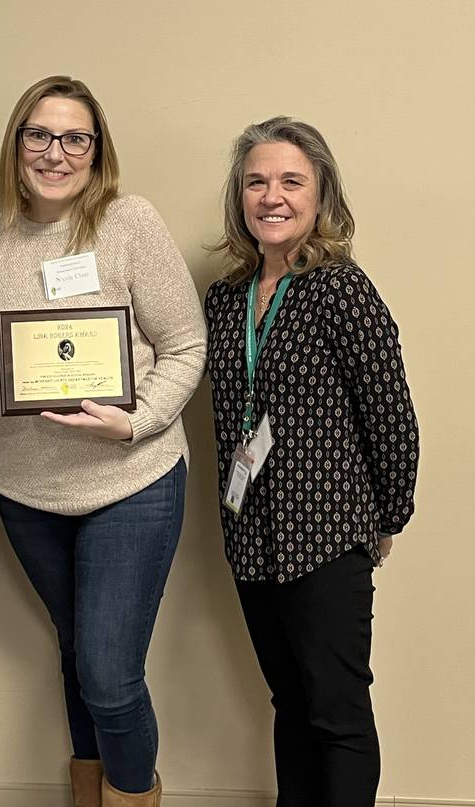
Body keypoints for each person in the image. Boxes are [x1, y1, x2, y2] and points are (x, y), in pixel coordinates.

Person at [0, 76, 206, 807]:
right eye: (39, 134)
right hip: (26, 493)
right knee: (75, 654)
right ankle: (89, 794)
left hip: (133, 480)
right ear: (16, 143)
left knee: (109, 675)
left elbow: (186, 344)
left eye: (74, 138)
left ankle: (130, 796)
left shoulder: (129, 222)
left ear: (97, 151)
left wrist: (137, 417)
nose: (55, 152)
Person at [204, 116, 419, 807]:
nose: (272, 195)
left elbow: (392, 417)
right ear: (240, 196)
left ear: (321, 194)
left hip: (326, 537)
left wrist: (387, 517)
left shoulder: (340, 290)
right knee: (289, 705)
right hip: (251, 537)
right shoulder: (226, 297)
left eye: (291, 181)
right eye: (257, 181)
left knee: (337, 713)